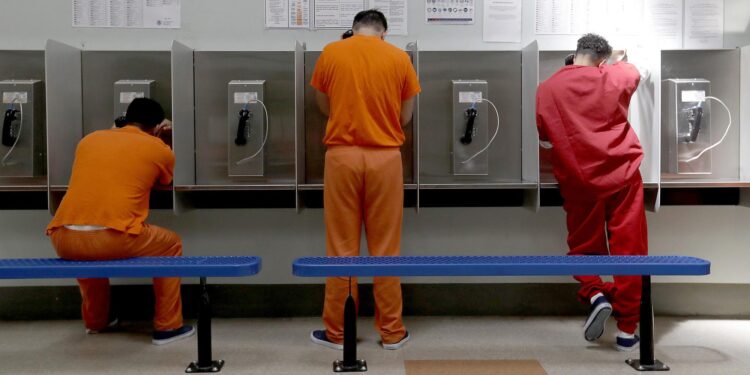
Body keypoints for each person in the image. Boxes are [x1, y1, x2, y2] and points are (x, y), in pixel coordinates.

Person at [309, 9, 420, 351]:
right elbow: (405, 117)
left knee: (341, 247)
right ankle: (391, 332)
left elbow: (322, 105)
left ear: (354, 30)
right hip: (385, 158)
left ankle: (338, 332)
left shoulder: (331, 53)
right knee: (386, 247)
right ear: (384, 33)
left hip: (341, 157)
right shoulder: (399, 58)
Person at [46, 98, 194, 345]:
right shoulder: (158, 148)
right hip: (112, 238)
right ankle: (168, 326)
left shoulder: (89, 140)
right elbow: (165, 181)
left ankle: (96, 321)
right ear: (156, 126)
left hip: (64, 237)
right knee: (171, 244)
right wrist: (163, 138)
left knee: (89, 253)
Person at [536, 34, 647, 351]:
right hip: (623, 176)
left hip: (578, 178)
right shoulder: (613, 74)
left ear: (573, 55)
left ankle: (595, 292)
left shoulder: (548, 88)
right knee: (629, 249)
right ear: (602, 60)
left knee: (583, 245)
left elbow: (545, 136)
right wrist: (617, 60)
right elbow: (633, 72)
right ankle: (627, 331)